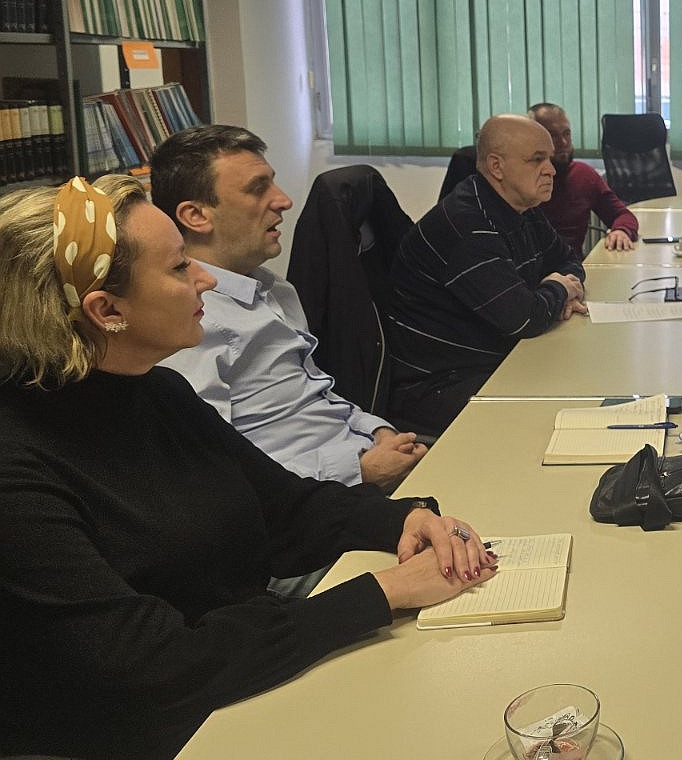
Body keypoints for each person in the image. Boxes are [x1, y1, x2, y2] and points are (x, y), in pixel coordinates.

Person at [0, 175, 495, 760]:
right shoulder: (18, 466)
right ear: (107, 311)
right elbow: (158, 667)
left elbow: (284, 508)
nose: (206, 279)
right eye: (179, 267)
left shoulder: (156, 390)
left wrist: (401, 519)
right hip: (167, 744)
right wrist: (385, 593)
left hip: (250, 679)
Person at [150, 125, 425, 493]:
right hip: (317, 499)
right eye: (257, 189)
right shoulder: (189, 322)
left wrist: (377, 430)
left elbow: (314, 390)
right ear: (196, 216)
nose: (283, 201)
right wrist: (357, 470)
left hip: (360, 462)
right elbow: (215, 475)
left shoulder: (273, 287)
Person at [387, 114, 587, 434]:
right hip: (442, 385)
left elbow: (569, 260)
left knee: (581, 380)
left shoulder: (522, 207)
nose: (551, 169)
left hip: (498, 358)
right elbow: (524, 319)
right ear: (496, 167)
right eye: (537, 159)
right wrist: (559, 289)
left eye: (549, 159)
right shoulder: (466, 227)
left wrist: (558, 289)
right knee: (567, 414)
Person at [530, 102, 640, 252]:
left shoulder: (583, 175)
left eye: (566, 133)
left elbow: (622, 215)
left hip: (572, 263)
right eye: (553, 136)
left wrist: (621, 231)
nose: (563, 142)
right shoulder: (520, 178)